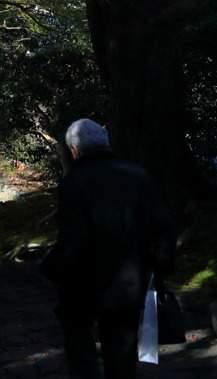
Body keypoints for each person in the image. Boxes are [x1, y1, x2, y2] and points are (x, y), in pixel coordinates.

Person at [41, 119, 176, 379]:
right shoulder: (137, 174)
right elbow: (163, 224)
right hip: (128, 279)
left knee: (77, 338)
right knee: (121, 349)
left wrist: (51, 269)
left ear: (75, 150)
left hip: (82, 282)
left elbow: (73, 240)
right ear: (106, 144)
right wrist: (160, 265)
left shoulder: (74, 181)